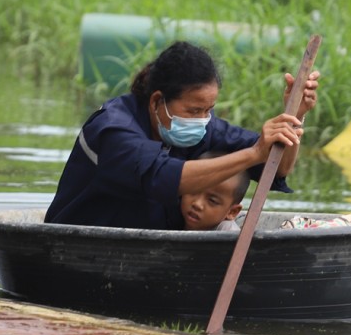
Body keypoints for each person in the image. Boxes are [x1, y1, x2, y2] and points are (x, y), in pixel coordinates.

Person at [45, 40, 319, 229]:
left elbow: (276, 166)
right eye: (194, 110)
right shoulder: (113, 129)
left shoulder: (202, 128)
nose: (202, 120)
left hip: (149, 253)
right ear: (156, 102)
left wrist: (294, 116)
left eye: (208, 110)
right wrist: (253, 153)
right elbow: (162, 176)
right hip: (80, 247)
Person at [180, 155, 250, 231]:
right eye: (193, 191)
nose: (197, 204)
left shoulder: (227, 231)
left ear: (232, 212)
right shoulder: (170, 212)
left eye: (212, 200)